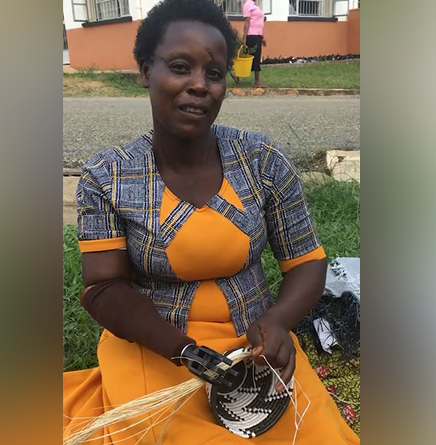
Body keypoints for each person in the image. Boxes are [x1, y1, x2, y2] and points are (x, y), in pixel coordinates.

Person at [63, 0, 359, 444]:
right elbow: (103, 288)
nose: (199, 86)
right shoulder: (107, 176)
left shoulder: (261, 161)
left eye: (215, 73)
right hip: (156, 346)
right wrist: (184, 351)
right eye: (180, 67)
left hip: (255, 349)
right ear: (146, 71)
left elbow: (307, 262)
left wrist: (278, 321)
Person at [242, 0, 266, 87]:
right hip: (251, 35)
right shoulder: (247, 5)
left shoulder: (255, 5)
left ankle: (236, 74)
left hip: (257, 35)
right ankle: (257, 81)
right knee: (254, 57)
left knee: (249, 56)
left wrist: (262, 37)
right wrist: (244, 39)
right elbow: (247, 23)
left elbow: (257, 23)